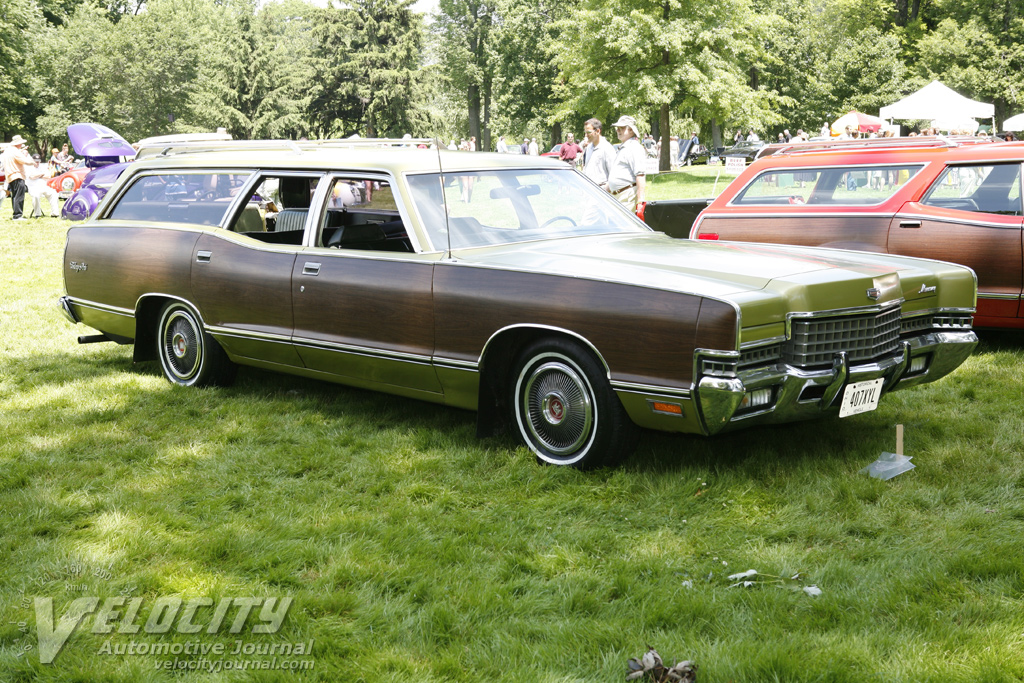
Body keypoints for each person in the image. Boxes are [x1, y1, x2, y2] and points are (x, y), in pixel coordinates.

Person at [608, 115, 646, 213]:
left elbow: (640, 175)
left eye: (622, 128)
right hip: (618, 197)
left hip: (627, 197)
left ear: (631, 130)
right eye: (617, 128)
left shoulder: (634, 148)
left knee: (624, 228)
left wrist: (640, 201)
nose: (618, 130)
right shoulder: (624, 147)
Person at [2, 135, 35, 221]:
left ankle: (16, 215)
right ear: (18, 143)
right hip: (17, 175)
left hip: (10, 176)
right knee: (19, 196)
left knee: (15, 196)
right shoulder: (15, 151)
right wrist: (32, 162)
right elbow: (24, 160)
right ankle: (18, 215)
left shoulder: (8, 150)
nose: (22, 145)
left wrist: (21, 150)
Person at [582, 118, 614, 190]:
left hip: (601, 191)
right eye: (585, 132)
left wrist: (606, 190)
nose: (586, 135)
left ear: (598, 131)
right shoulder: (588, 148)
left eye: (588, 132)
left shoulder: (607, 148)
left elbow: (613, 175)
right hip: (589, 190)